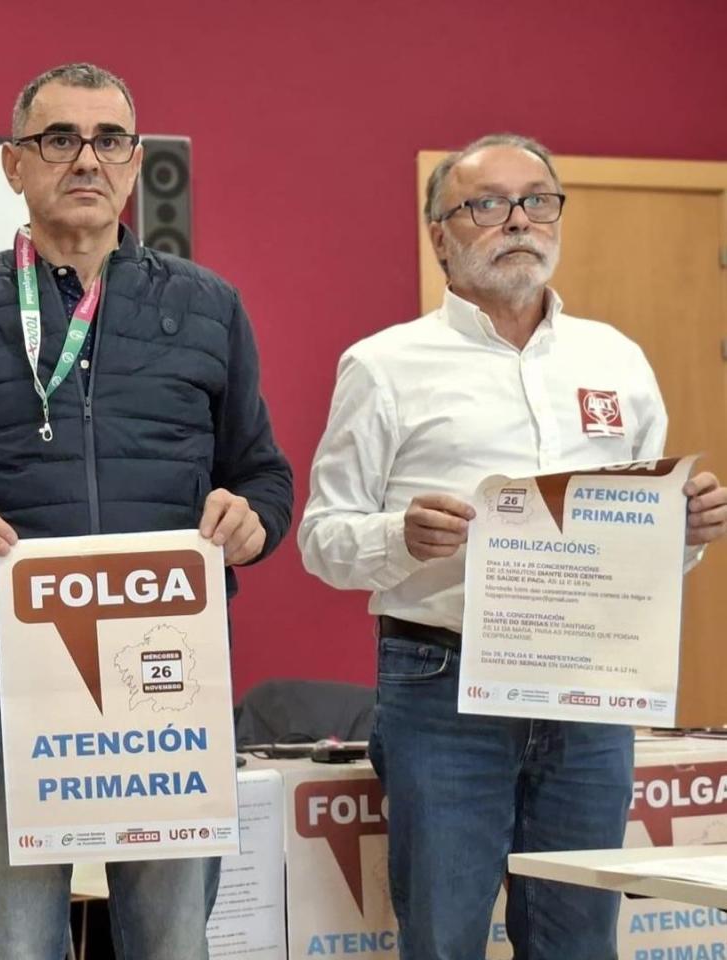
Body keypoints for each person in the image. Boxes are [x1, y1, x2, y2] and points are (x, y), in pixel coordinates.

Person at [0, 62, 293, 959]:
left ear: (136, 164)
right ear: (13, 164)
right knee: (14, 941)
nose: (86, 159)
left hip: (170, 674)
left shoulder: (209, 307)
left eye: (108, 141)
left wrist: (252, 523)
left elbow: (262, 476)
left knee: (173, 938)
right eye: (59, 139)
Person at [298, 132, 727, 959]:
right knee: (444, 937)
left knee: (577, 936)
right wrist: (402, 536)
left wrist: (687, 534)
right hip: (444, 687)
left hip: (590, 692)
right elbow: (322, 538)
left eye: (537, 200)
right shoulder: (385, 366)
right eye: (486, 205)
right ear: (441, 235)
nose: (519, 221)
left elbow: (640, 550)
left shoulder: (618, 359)